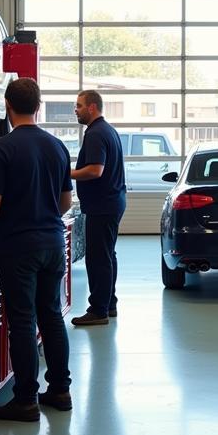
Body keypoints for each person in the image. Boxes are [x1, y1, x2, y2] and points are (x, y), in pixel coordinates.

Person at [0, 78, 73, 420]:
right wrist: (42, 215)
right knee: (51, 316)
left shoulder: (2, 148)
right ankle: (60, 391)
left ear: (7, 106)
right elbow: (65, 201)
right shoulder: (58, 147)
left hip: (19, 246)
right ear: (38, 106)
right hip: (52, 241)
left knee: (22, 320)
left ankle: (25, 400)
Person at [71, 90, 126, 327]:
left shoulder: (95, 134)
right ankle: (109, 303)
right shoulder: (108, 130)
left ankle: (98, 309)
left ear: (92, 107)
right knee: (107, 255)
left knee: (97, 258)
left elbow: (95, 170)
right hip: (112, 202)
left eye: (79, 106)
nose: (76, 110)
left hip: (102, 205)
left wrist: (66, 174)